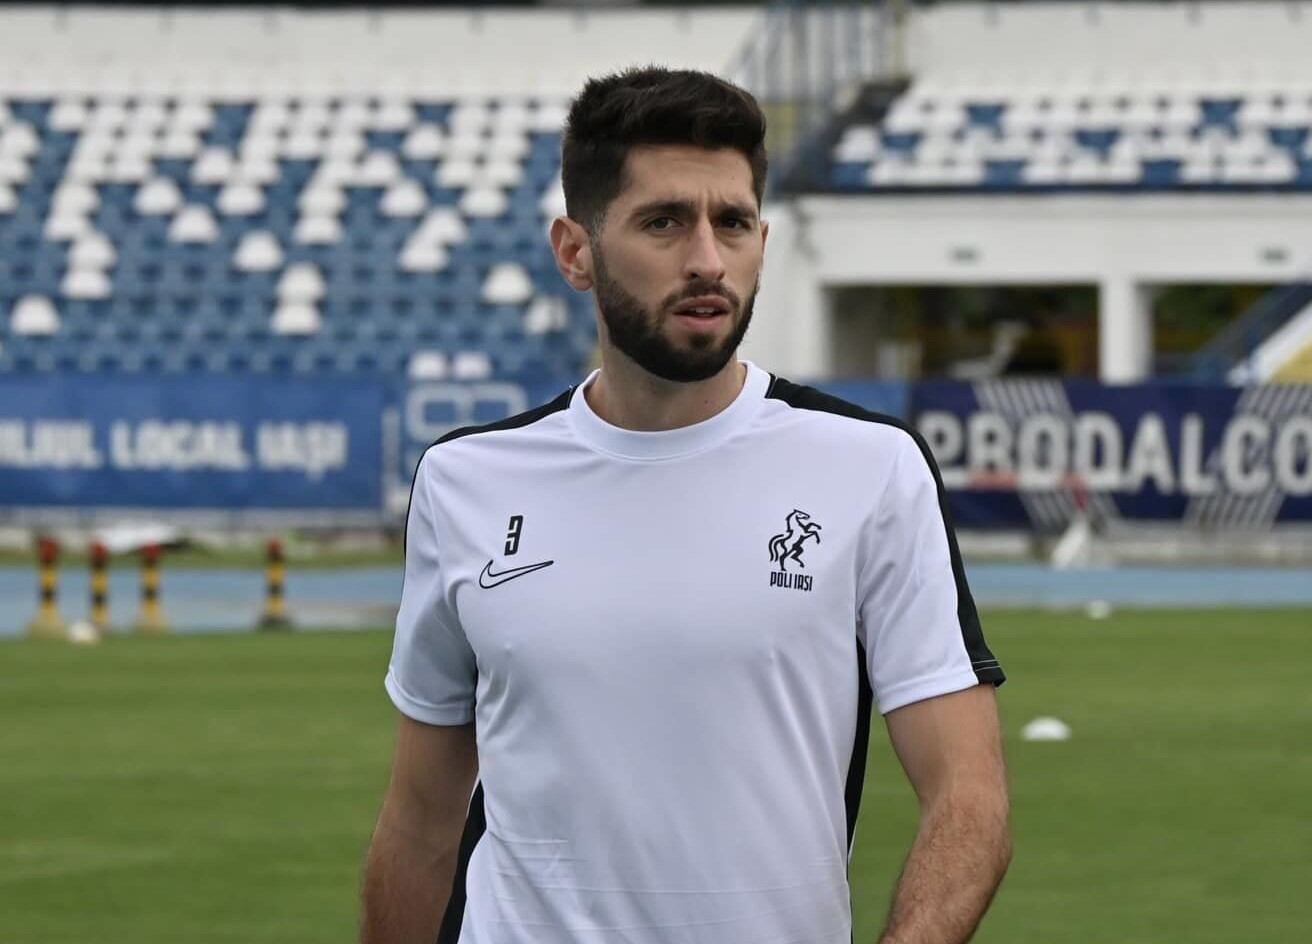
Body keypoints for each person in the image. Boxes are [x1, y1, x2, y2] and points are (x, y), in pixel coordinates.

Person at [361, 66, 1010, 944]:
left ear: (762, 242)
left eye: (732, 222)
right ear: (575, 251)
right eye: (664, 222)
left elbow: (969, 800)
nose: (707, 259)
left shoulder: (871, 467)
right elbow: (420, 821)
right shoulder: (465, 480)